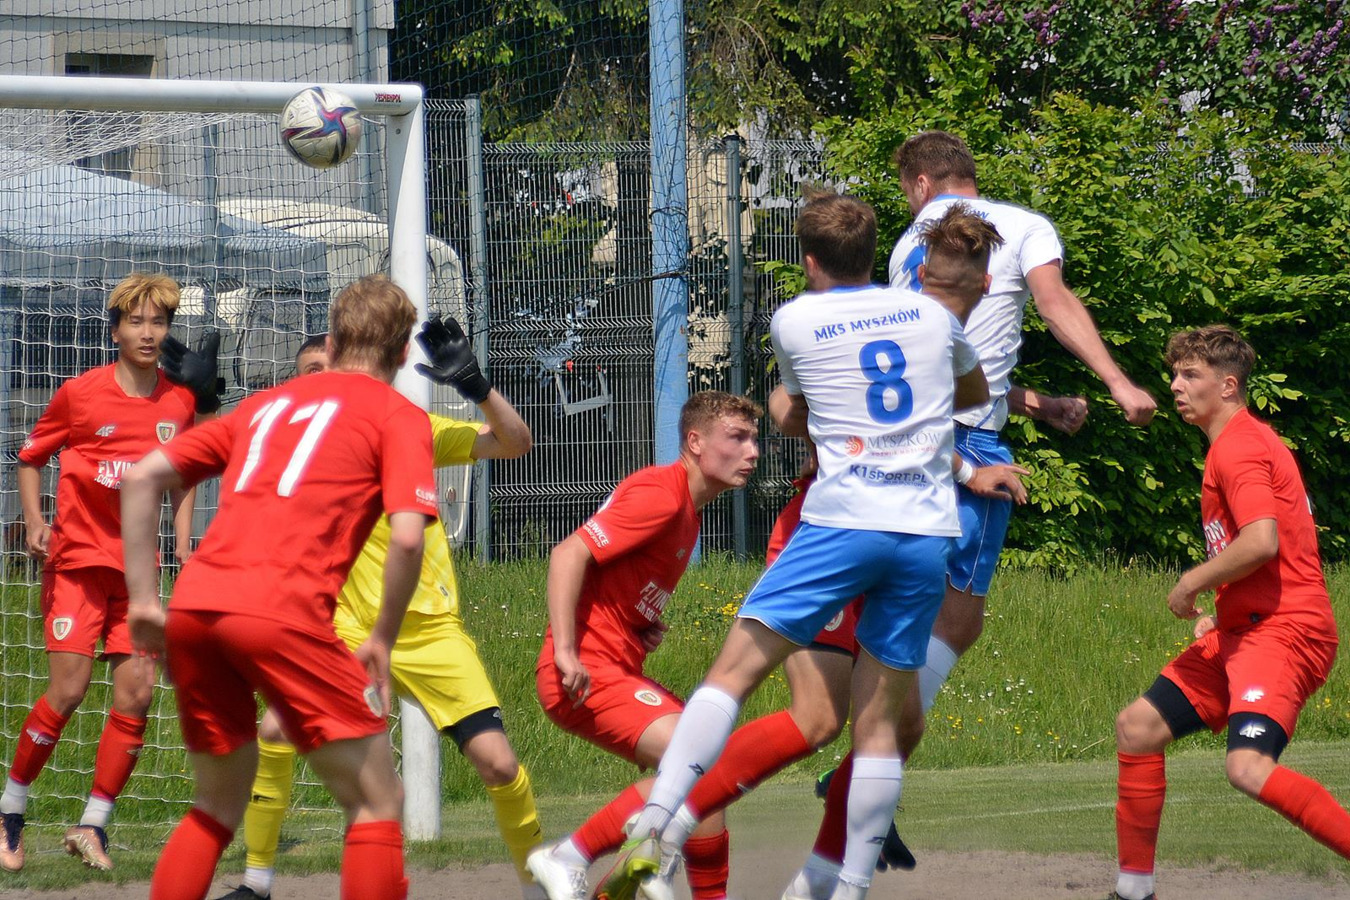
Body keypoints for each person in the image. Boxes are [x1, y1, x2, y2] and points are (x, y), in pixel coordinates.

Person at [599, 192, 989, 900]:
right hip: (924, 533)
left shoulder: (795, 320)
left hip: (841, 524)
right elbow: (971, 392)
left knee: (731, 674)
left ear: (808, 260)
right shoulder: (931, 317)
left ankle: (655, 824)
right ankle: (849, 887)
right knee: (879, 726)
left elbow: (790, 410)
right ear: (876, 255)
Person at [120, 275, 440, 900]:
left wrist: (142, 601)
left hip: (196, 607)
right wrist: (381, 636)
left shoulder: (265, 405)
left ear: (333, 342)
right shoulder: (398, 415)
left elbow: (141, 478)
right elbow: (407, 539)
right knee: (377, 800)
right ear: (404, 354)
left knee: (215, 805)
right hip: (281, 612)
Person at [213, 323, 544, 900]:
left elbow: (515, 443)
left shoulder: (407, 426)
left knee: (497, 764)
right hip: (345, 629)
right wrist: (199, 404)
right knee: (275, 730)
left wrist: (476, 386)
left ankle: (539, 887)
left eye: (328, 370)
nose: (322, 383)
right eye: (308, 375)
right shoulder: (296, 448)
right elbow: (217, 460)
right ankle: (257, 883)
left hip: (432, 632)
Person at [1109, 325, 1349, 900]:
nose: (1175, 385)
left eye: (1190, 374)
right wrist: (1225, 611)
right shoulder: (1239, 443)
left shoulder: (1239, 446)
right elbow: (1275, 551)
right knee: (1138, 728)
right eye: (1174, 373)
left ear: (1229, 385)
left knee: (1247, 768)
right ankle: (1134, 891)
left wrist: (1191, 584)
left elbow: (1262, 542)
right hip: (1247, 628)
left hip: (1284, 632)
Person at [524, 390, 762, 900]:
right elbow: (568, 554)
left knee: (708, 773)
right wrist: (565, 650)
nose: (752, 452)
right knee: (700, 762)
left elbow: (609, 583)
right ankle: (569, 856)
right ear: (695, 442)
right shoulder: (662, 494)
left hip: (613, 669)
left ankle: (645, 868)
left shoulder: (687, 512)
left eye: (754, 439)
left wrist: (637, 624)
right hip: (584, 674)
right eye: (738, 438)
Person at [0, 273, 200, 873]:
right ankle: (10, 812)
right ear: (115, 331)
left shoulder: (179, 402)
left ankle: (92, 825)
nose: (148, 333)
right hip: (79, 565)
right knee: (68, 690)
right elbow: (31, 458)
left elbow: (185, 476)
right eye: (136, 322)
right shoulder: (80, 394)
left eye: (158, 322)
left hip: (138, 575)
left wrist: (183, 541)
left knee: (138, 693)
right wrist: (35, 521)